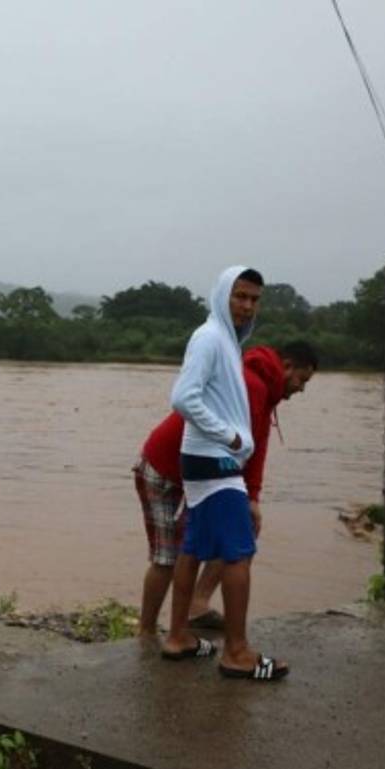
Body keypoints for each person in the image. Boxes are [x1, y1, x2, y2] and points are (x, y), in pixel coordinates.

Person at [134, 340, 319, 636]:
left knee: (238, 529)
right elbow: (228, 442)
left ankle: (196, 606)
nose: (301, 389)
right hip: (164, 468)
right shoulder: (249, 385)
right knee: (168, 557)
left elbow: (255, 448)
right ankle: (145, 633)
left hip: (201, 472)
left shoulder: (266, 390)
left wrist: (253, 497)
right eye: (302, 380)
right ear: (286, 367)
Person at [159, 266, 289, 681]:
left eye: (254, 299)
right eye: (240, 296)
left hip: (204, 460)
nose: (248, 306)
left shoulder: (226, 342)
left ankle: (177, 636)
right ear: (222, 295)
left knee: (194, 547)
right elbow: (183, 397)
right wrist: (230, 437)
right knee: (239, 551)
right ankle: (237, 652)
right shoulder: (211, 338)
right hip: (214, 459)